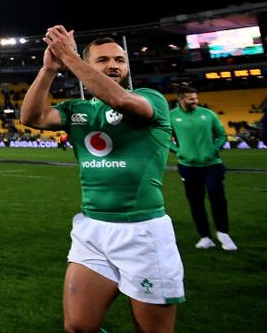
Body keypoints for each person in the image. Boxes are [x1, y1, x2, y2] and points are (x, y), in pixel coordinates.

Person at [20, 29, 184, 333]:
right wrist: (49, 69)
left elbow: (119, 99)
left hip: (143, 232)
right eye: (104, 60)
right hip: (92, 229)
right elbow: (31, 118)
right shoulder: (77, 110)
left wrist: (68, 56)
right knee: (79, 327)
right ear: (87, 65)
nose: (114, 65)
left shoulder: (152, 99)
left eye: (120, 60)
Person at [170, 85, 236, 250]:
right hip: (188, 166)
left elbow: (221, 135)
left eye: (196, 98)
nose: (195, 101)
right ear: (181, 99)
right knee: (195, 202)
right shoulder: (171, 117)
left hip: (212, 165)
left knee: (217, 197)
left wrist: (214, 149)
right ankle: (205, 237)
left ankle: (223, 233)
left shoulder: (208, 114)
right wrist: (179, 152)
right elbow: (164, 138)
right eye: (191, 98)